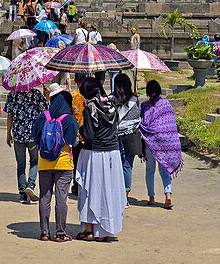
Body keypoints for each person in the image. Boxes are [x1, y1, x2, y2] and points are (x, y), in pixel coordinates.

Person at [74, 77, 125, 241]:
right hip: (112, 153)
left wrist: (80, 129)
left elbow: (88, 135)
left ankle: (89, 229)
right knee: (107, 191)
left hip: (94, 154)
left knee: (90, 191)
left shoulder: (90, 107)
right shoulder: (112, 104)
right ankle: (103, 230)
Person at [33, 83, 79, 242]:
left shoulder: (43, 117)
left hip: (44, 163)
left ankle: (45, 232)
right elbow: (74, 141)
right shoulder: (69, 119)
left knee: (44, 198)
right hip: (64, 163)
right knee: (61, 199)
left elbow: (35, 138)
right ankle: (60, 233)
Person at [140, 79, 182, 209]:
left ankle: (151, 197)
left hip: (150, 142)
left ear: (147, 92)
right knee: (164, 169)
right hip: (164, 143)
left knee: (150, 170)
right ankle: (168, 194)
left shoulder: (144, 106)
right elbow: (171, 126)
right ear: (159, 90)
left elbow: (141, 123)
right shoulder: (167, 105)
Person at [4, 86, 47, 203]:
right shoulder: (37, 94)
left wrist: (8, 133)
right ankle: (31, 185)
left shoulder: (12, 95)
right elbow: (44, 112)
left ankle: (22, 192)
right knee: (34, 161)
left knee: (21, 164)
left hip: (18, 134)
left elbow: (10, 116)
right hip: (33, 134)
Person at [112, 72, 143, 203]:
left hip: (114, 136)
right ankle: (125, 195)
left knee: (114, 166)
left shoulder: (110, 99)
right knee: (127, 166)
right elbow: (138, 118)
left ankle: (115, 194)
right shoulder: (134, 100)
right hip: (131, 136)